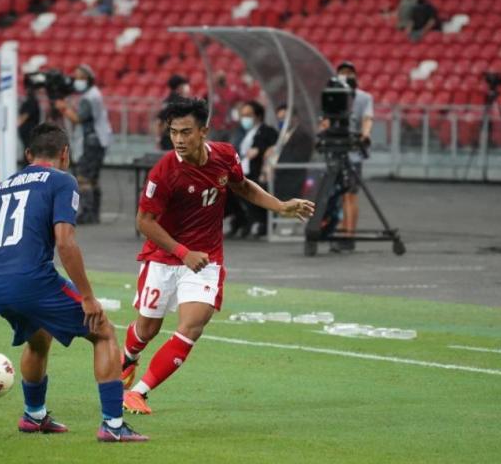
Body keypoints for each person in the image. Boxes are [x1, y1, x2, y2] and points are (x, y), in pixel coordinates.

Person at [0, 123, 148, 442]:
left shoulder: (2, 186)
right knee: (104, 332)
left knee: (38, 337)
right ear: (65, 155)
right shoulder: (62, 181)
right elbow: (66, 243)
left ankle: (34, 415)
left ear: (28, 154)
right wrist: (87, 297)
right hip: (32, 279)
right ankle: (113, 425)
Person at [119, 98, 315, 415]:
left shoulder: (224, 156)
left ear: (204, 131)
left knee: (193, 325)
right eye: (174, 133)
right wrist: (182, 252)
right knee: (147, 331)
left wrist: (279, 206)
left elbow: (242, 186)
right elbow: (144, 221)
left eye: (186, 132)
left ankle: (139, 392)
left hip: (206, 260)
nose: (179, 140)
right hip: (165, 257)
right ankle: (127, 357)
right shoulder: (164, 172)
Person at [323, 61, 373, 252]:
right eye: (342, 72)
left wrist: (365, 135)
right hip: (335, 150)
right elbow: (326, 118)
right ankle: (341, 229)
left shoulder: (364, 97)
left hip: (352, 151)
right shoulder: (331, 95)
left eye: (349, 72)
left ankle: (349, 235)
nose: (346, 76)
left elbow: (367, 119)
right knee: (337, 196)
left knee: (350, 195)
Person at [55, 64, 113, 224]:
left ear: (88, 78)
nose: (77, 81)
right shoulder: (93, 94)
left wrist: (63, 109)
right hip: (98, 139)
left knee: (84, 177)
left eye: (80, 77)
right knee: (93, 178)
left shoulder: (89, 97)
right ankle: (94, 212)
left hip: (91, 141)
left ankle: (88, 212)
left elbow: (78, 118)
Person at [227, 100, 279, 238]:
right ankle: (241, 220)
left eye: (248, 115)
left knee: (244, 190)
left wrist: (260, 150)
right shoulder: (242, 133)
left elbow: (273, 149)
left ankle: (258, 222)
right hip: (241, 171)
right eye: (243, 115)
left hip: (257, 173)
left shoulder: (267, 131)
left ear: (258, 116)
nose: (245, 118)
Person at [157, 74, 191, 151]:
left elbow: (159, 122)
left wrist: (158, 138)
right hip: (180, 139)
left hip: (166, 138)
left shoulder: (166, 101)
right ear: (179, 87)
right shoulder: (184, 102)